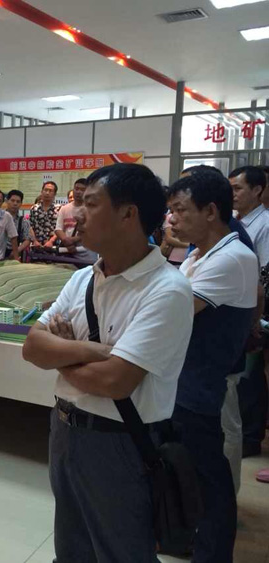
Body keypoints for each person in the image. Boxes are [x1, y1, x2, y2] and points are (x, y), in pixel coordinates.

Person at [22, 163, 194, 562]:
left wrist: (64, 353)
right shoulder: (83, 279)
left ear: (128, 214)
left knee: (121, 552)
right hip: (64, 429)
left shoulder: (166, 290)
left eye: (90, 203)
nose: (77, 214)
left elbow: (115, 381)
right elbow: (32, 347)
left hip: (119, 442)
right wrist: (92, 351)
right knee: (72, 548)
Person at [167, 170, 258, 561]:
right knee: (189, 475)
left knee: (209, 481)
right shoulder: (198, 255)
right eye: (170, 210)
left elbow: (169, 314)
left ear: (210, 211)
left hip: (199, 387)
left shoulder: (232, 257)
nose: (172, 220)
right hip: (181, 384)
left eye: (180, 210)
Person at [230, 166, 269, 459]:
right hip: (239, 305)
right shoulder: (236, 221)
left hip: (255, 308)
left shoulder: (264, 224)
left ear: (257, 190)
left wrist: (257, 316)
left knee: (251, 375)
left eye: (238, 188)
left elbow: (265, 273)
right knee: (241, 375)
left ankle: (252, 436)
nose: (232, 194)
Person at [54, 178, 97, 264]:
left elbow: (93, 231)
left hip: (87, 255)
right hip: (67, 253)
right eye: (76, 189)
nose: (78, 192)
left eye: (82, 190)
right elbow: (58, 229)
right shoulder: (64, 208)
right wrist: (66, 241)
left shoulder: (92, 209)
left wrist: (72, 240)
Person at [29, 181, 60, 247]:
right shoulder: (34, 208)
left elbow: (61, 228)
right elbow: (30, 226)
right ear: (41, 191)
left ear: (55, 194)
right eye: (45, 190)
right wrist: (34, 241)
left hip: (54, 246)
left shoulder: (59, 209)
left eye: (50, 191)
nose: (47, 193)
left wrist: (51, 241)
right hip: (37, 246)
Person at [5, 189, 32, 260]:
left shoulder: (23, 220)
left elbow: (27, 239)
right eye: (12, 200)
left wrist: (16, 251)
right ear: (7, 201)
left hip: (13, 253)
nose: (15, 204)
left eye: (18, 201)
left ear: (21, 203)